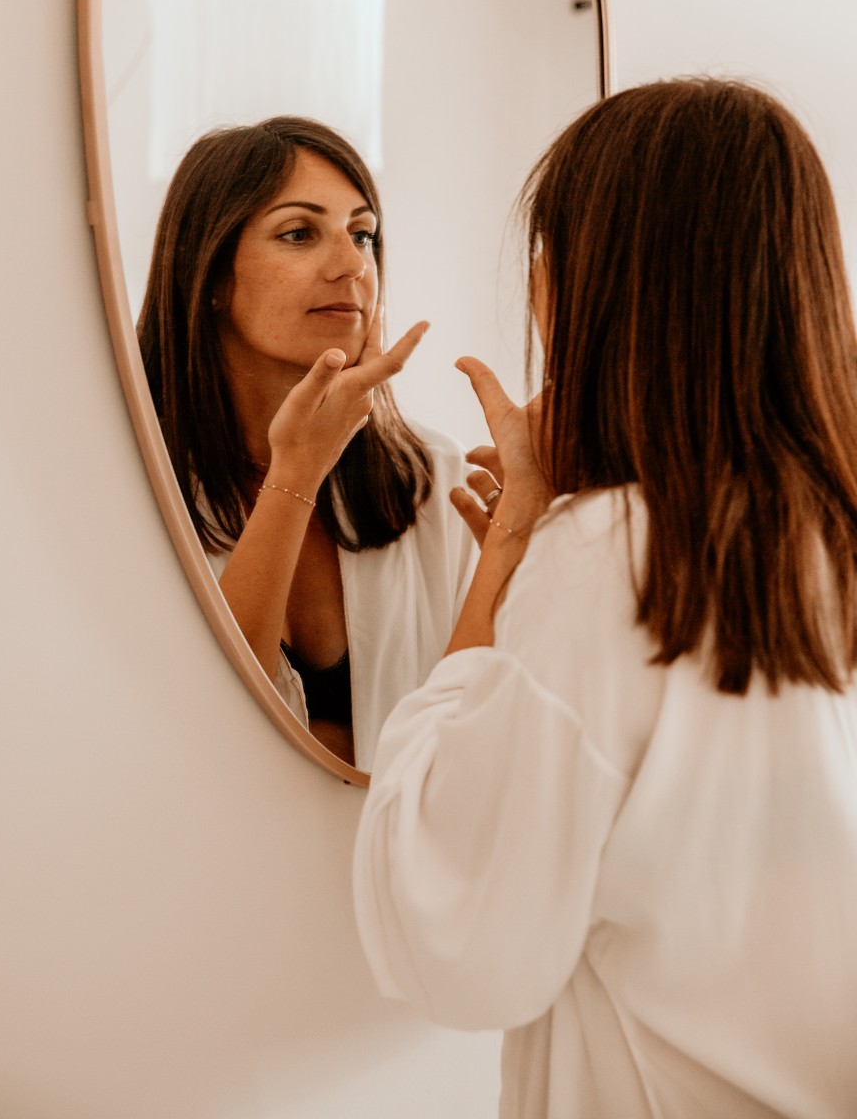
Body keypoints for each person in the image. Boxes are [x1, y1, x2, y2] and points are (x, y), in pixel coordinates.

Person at [353, 78, 857, 1117]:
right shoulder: (823, 536)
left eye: (550, 260)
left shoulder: (612, 559)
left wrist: (514, 548)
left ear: (606, 288)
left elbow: (455, 942)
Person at [138, 115, 477, 769]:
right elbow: (202, 727)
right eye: (299, 233)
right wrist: (297, 471)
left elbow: (469, 734)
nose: (352, 265)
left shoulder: (436, 479)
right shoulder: (133, 481)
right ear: (208, 276)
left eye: (363, 234)